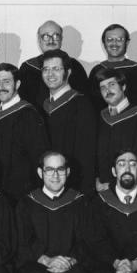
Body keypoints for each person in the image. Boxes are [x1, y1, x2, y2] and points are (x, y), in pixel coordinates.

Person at [0, 63, 49, 203]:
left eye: (6, 82)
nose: (1, 87)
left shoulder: (28, 115)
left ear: (17, 84)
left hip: (20, 196)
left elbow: (38, 158)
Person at [40, 49, 97, 195]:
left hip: (74, 187)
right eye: (46, 69)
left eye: (56, 69)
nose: (50, 74)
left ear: (68, 72)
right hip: (48, 186)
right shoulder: (43, 106)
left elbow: (87, 154)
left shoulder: (81, 104)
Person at [94, 67, 137, 191]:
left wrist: (114, 185)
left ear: (123, 87)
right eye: (103, 87)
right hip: (103, 189)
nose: (107, 90)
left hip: (132, 187)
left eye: (112, 85)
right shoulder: (101, 117)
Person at [18, 20, 90, 108]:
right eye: (45, 36)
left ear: (61, 39)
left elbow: (84, 99)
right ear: (39, 40)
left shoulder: (74, 66)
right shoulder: (27, 68)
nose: (51, 40)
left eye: (56, 36)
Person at [87, 24, 137, 109]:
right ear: (104, 43)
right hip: (103, 120)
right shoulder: (97, 71)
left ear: (127, 43)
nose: (114, 43)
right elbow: (91, 104)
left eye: (119, 39)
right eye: (109, 40)